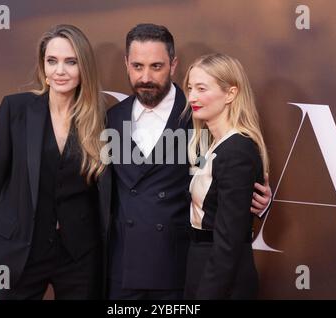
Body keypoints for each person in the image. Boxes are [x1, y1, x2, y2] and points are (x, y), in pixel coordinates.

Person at [104, 23, 271, 300]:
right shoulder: (112, 118)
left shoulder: (198, 119)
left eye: (156, 66)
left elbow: (224, 186)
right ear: (126, 64)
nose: (146, 76)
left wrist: (261, 203)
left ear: (173, 64)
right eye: (137, 66)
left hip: (177, 268)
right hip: (123, 271)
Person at [0, 24, 108, 299]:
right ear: (43, 65)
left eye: (70, 62)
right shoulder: (15, 109)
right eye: (52, 61)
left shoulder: (100, 121)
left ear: (84, 66)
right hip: (22, 249)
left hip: (79, 254)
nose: (59, 71)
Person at [183, 53, 268, 299]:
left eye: (201, 88)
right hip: (202, 268)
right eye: (190, 88)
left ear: (230, 93)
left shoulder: (237, 150)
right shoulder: (213, 144)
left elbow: (228, 243)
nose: (192, 98)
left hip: (222, 282)